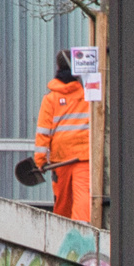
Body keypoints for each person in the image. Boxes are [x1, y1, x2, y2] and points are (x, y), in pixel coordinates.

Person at [34, 50, 91, 222]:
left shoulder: (50, 99)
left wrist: (40, 161)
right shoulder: (87, 95)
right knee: (83, 203)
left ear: (58, 67)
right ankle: (84, 243)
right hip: (83, 158)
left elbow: (43, 133)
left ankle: (64, 244)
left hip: (60, 161)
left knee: (63, 206)